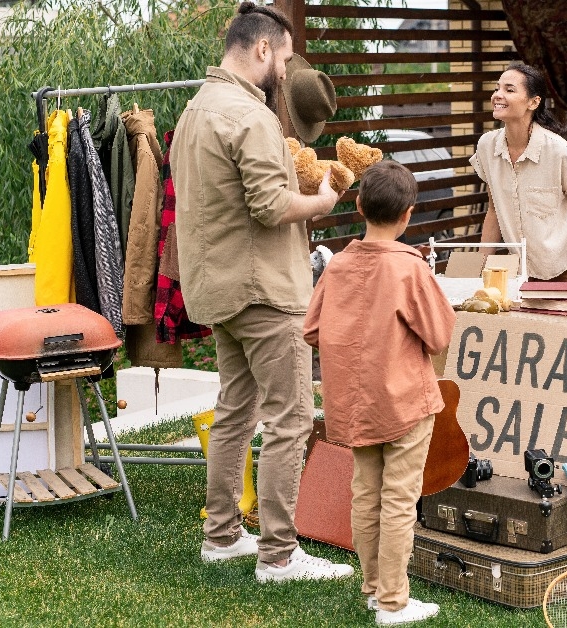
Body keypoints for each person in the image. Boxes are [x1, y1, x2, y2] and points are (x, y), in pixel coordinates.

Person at [171, 2, 353, 583]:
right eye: (284, 55)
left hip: (218, 289)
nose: (285, 69)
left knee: (235, 413)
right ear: (263, 50)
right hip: (265, 292)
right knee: (291, 418)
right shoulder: (249, 117)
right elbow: (271, 206)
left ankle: (221, 534)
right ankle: (278, 553)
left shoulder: (196, 109)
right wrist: (323, 202)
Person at [303, 161, 456, 626]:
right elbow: (440, 335)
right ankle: (392, 601)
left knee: (365, 493)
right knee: (398, 500)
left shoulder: (340, 264)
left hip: (352, 403)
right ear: (408, 214)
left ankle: (373, 588)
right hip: (406, 402)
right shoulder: (411, 270)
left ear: (359, 205)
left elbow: (311, 329)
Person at [470, 62, 567, 282]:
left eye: (509, 90)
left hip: (566, 271)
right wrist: (478, 269)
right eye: (497, 88)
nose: (498, 95)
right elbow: (493, 211)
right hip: (518, 274)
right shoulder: (486, 146)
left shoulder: (559, 151)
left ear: (533, 102)